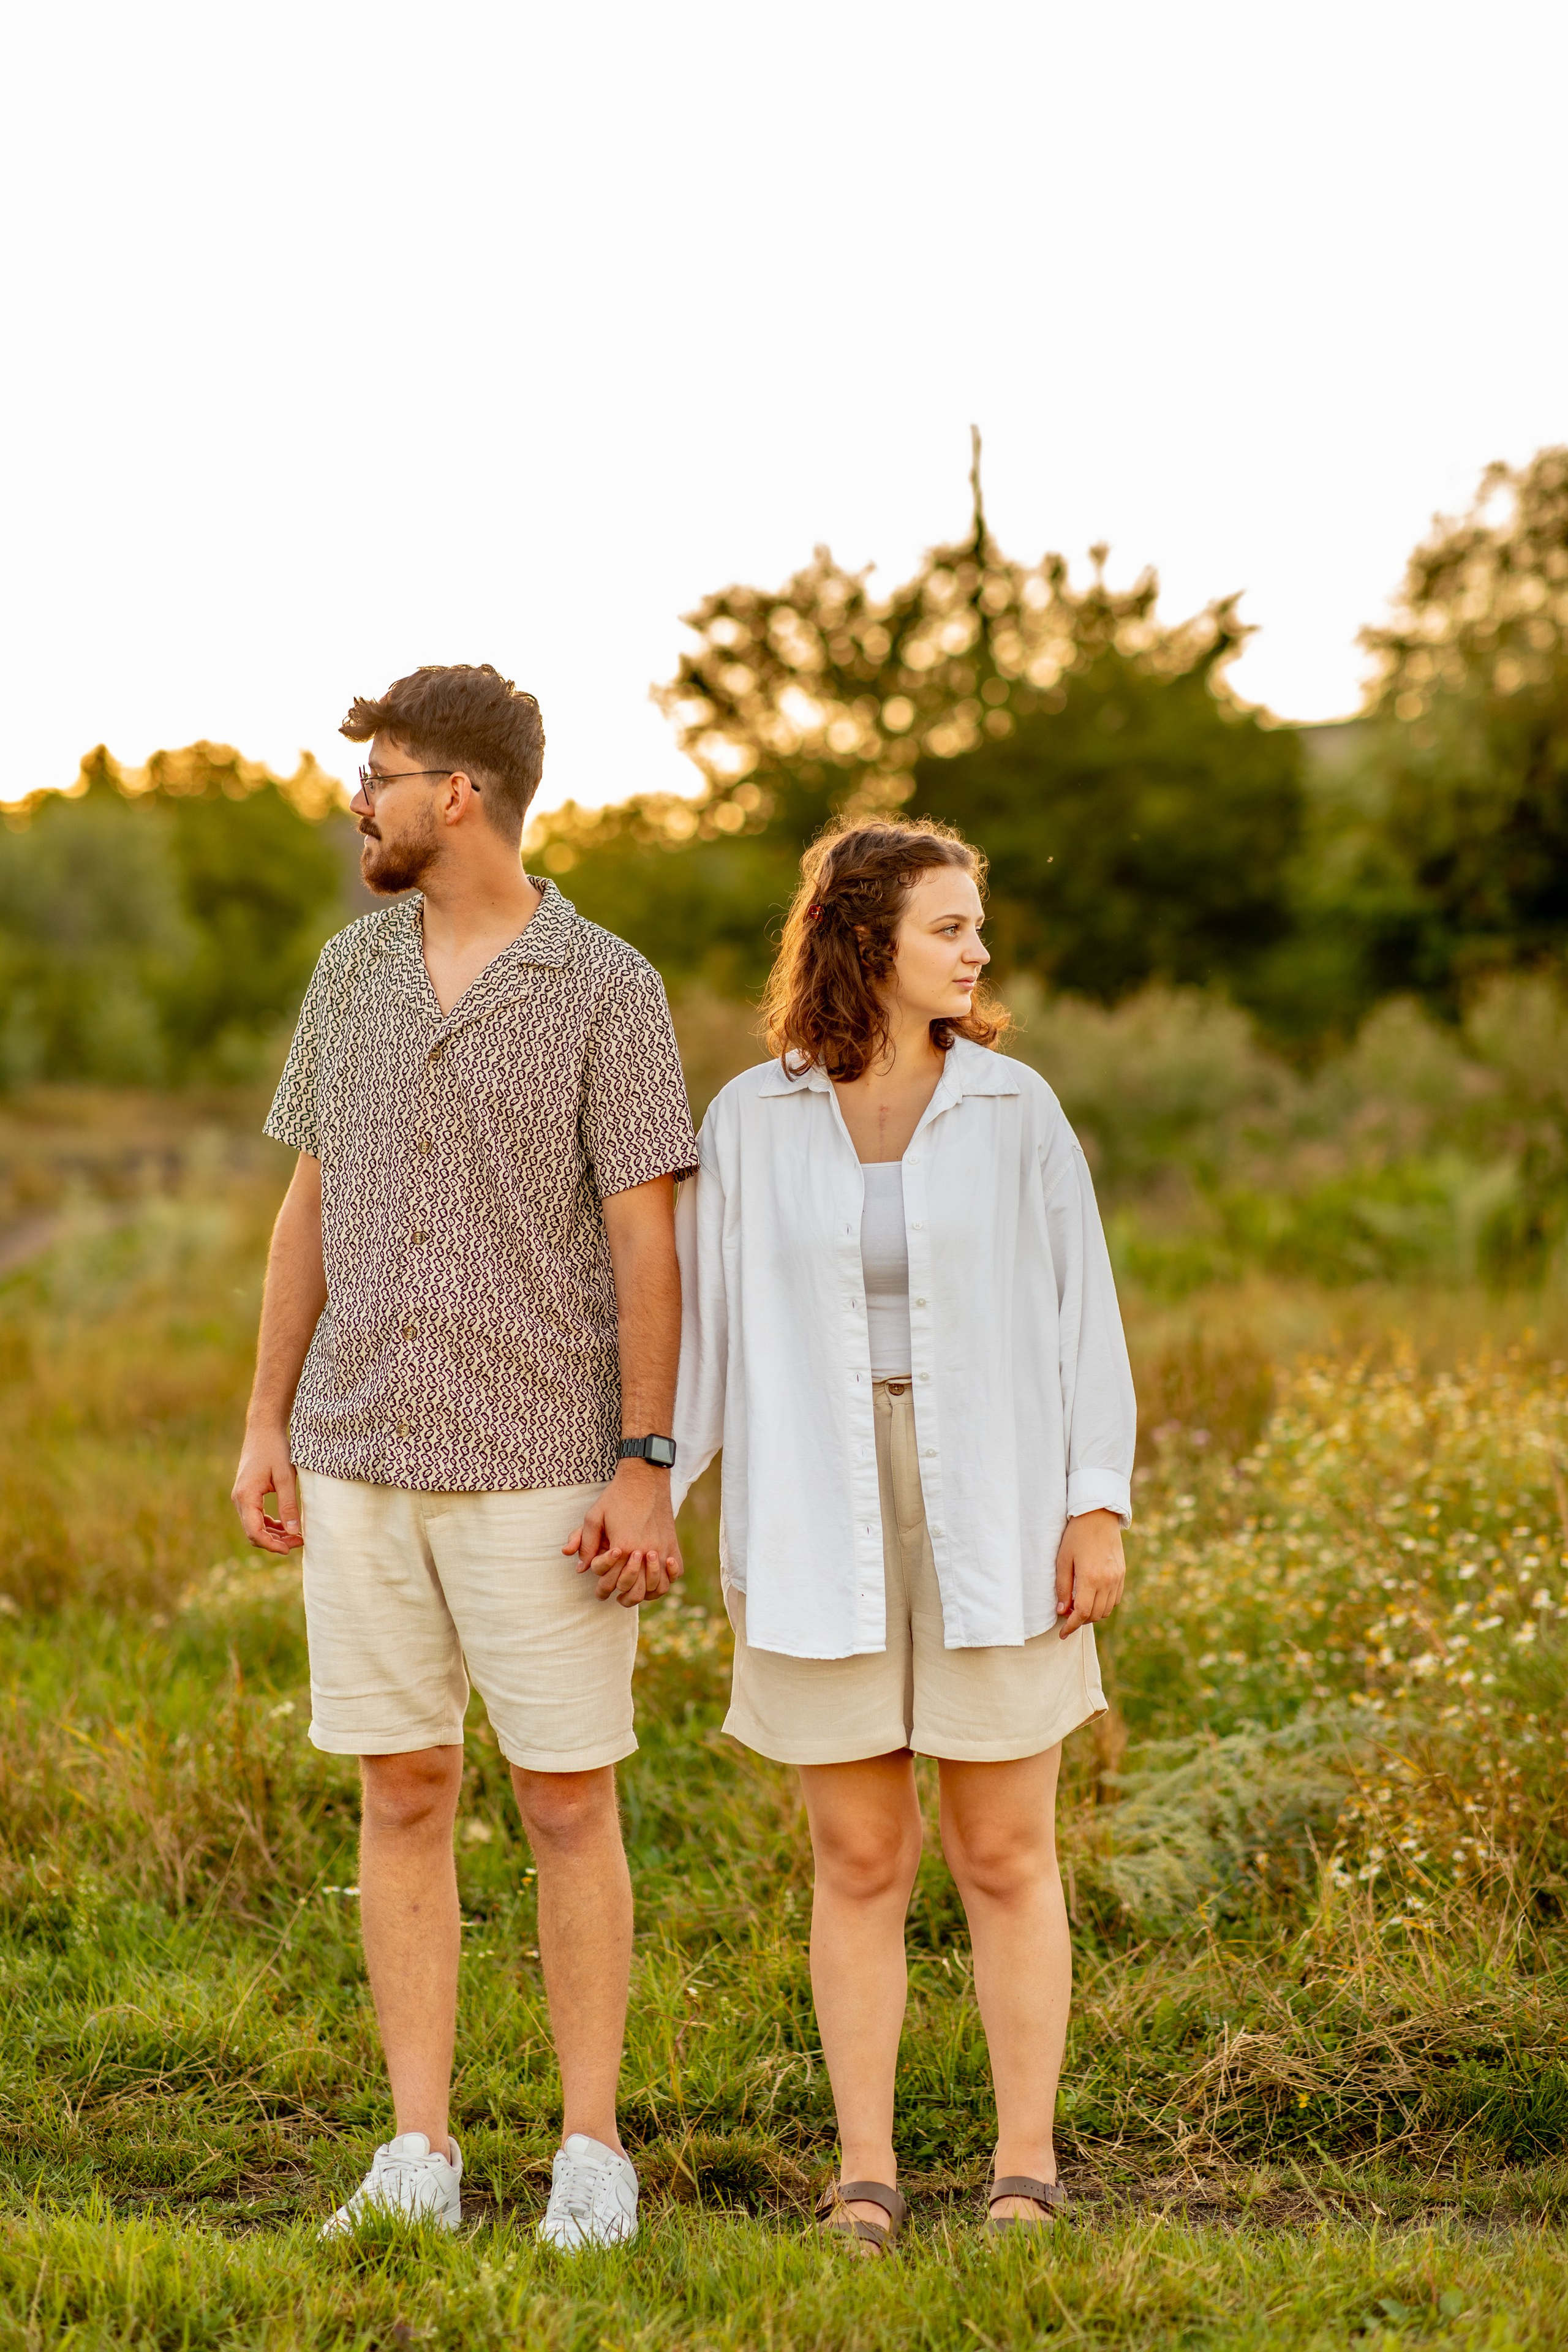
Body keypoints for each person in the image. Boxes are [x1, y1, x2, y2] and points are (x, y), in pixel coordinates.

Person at [231, 663, 696, 2250]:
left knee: (570, 1805)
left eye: (383, 772)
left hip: (544, 1468)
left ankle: (589, 2150)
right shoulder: (348, 975)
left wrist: (646, 1462)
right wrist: (265, 1418)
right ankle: (417, 2150)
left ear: (464, 795)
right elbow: (309, 1205)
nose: (358, 798)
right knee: (403, 1791)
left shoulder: (602, 984)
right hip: (360, 1453)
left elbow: (650, 1237)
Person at [671, 817, 1134, 2251]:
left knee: (1004, 1852)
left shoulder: (1015, 1109)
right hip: (816, 1495)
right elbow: (703, 1331)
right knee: (857, 1859)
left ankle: (1021, 2169)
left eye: (975, 927)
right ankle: (862, 2174)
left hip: (995, 1495)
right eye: (949, 926)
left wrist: (1095, 1504)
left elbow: (1084, 1316)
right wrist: (652, 1485)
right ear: (865, 939)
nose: (976, 950)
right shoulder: (750, 1116)